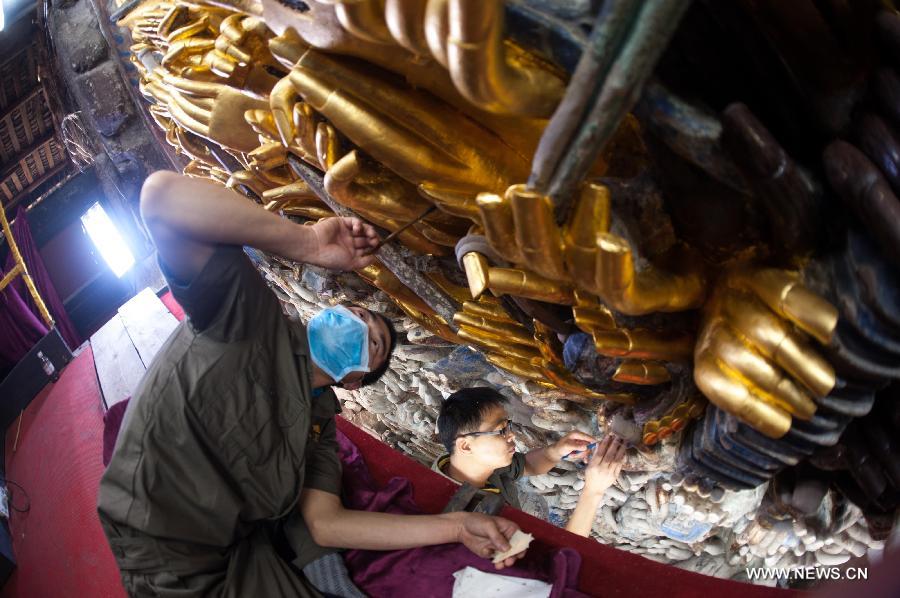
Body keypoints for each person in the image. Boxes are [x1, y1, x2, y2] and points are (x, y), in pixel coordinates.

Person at [98, 171, 525, 597]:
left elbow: (327, 522)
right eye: (356, 312)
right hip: (167, 555)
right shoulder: (251, 320)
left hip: (237, 552)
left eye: (373, 339)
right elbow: (162, 197)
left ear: (356, 381)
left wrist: (454, 526)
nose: (358, 323)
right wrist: (309, 244)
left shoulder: (320, 430)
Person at [434, 387, 626, 534]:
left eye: (508, 427)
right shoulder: (473, 522)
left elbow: (527, 465)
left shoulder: (468, 465)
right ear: (465, 446)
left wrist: (555, 451)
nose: (512, 436)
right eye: (501, 431)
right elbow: (561, 556)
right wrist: (594, 491)